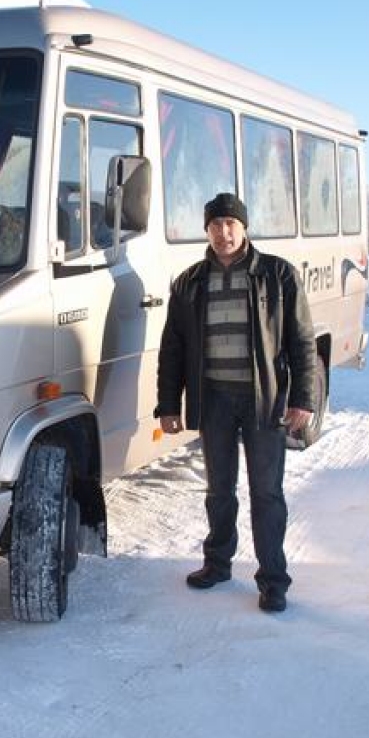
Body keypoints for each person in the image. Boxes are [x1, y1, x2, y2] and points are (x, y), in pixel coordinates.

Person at [155, 192, 318, 613]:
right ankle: (217, 563)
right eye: (215, 225)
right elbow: (172, 348)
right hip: (215, 400)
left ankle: (273, 580)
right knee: (219, 490)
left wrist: (303, 398)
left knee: (267, 492)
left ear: (244, 228)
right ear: (206, 230)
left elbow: (302, 343)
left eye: (231, 224)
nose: (223, 232)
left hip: (263, 401)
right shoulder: (189, 282)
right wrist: (168, 404)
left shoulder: (277, 276)